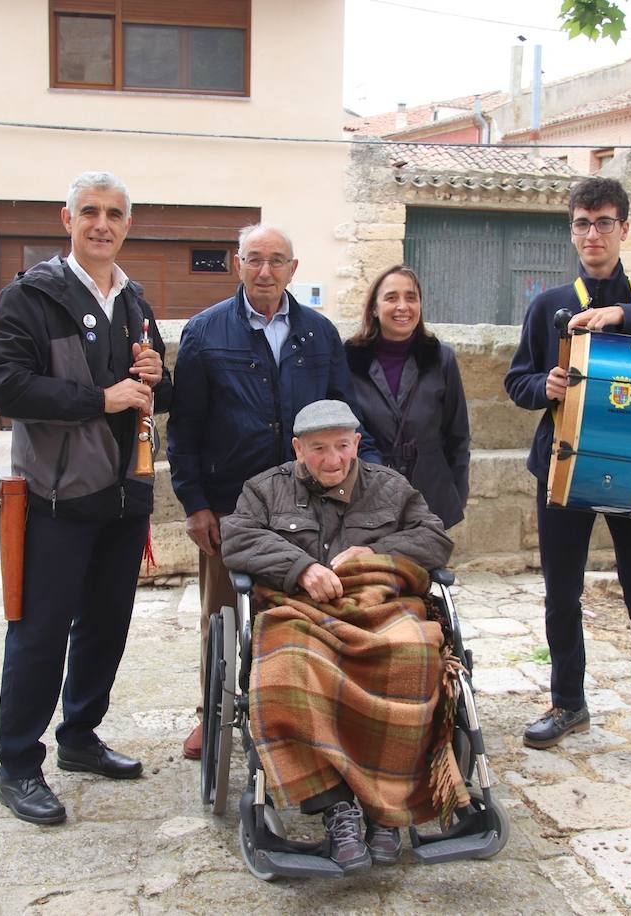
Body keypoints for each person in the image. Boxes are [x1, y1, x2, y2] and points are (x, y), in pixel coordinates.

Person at [0, 170, 172, 824]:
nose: (102, 223)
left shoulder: (135, 301)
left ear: (127, 224)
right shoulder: (29, 298)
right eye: (89, 211)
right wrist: (99, 399)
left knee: (105, 630)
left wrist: (156, 376)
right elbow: (4, 388)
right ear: (67, 220)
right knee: (38, 637)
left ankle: (80, 739)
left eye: (114, 213)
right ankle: (17, 765)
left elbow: (156, 391)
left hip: (124, 499)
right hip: (55, 500)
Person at [504, 176, 631, 782]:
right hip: (562, 469)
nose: (593, 234)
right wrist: (546, 386)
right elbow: (518, 382)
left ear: (624, 228)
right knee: (562, 595)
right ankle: (568, 703)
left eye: (605, 222)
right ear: (572, 231)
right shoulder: (547, 306)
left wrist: (623, 313)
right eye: (582, 223)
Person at [167, 225, 379, 760]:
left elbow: (342, 416)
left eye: (276, 261)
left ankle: (299, 713)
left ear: (293, 267)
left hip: (306, 501)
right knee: (223, 614)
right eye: (254, 259)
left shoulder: (320, 334)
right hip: (228, 500)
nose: (265, 271)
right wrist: (195, 504)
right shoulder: (205, 331)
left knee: (303, 607)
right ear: (238, 263)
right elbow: (185, 427)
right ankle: (211, 715)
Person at [220, 399, 454, 871]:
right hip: (300, 612)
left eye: (343, 446)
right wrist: (299, 567)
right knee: (287, 668)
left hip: (380, 608)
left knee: (414, 654)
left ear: (356, 444)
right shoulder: (265, 491)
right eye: (319, 449)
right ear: (298, 449)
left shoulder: (391, 488)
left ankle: (386, 812)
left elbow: (436, 539)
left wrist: (372, 552)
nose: (332, 460)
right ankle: (336, 807)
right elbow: (237, 538)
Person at [344, 265, 470, 529]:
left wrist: (456, 496)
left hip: (431, 497)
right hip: (367, 497)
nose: (403, 306)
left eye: (411, 297)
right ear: (374, 309)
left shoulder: (441, 358)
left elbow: (457, 435)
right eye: (391, 298)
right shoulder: (349, 360)